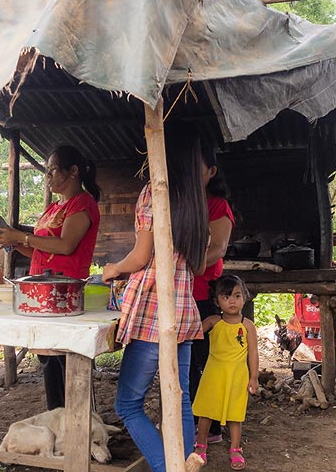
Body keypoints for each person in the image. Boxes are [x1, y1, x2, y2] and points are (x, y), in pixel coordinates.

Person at [102, 124, 209, 472]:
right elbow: (201, 262)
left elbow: (141, 256)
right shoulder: (197, 200)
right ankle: (181, 464)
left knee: (127, 404)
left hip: (153, 311)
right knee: (179, 402)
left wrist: (112, 268)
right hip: (184, 309)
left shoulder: (155, 193)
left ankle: (168, 468)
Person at [0, 144, 101, 410]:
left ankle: (81, 426)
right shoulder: (53, 208)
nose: (48, 177)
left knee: (67, 361)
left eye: (52, 170)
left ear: (73, 171)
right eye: (46, 171)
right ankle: (59, 419)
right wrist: (13, 243)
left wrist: (20, 236)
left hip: (63, 293)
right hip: (41, 291)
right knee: (49, 360)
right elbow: (39, 247)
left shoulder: (82, 204)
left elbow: (65, 246)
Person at [189, 142, 235, 444]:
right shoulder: (181, 203)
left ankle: (212, 428)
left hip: (203, 294)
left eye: (197, 167)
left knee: (203, 361)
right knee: (187, 361)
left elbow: (217, 249)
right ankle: (193, 422)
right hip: (180, 293)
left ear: (211, 171)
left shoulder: (218, 206)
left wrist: (181, 267)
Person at [192, 274, 259, 470]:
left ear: (245, 297)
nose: (232, 301)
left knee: (235, 414)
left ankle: (235, 449)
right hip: (213, 375)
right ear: (216, 300)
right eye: (226, 296)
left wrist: (253, 377)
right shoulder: (213, 321)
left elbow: (253, 352)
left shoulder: (247, 326)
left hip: (237, 376)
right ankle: (201, 445)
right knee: (206, 410)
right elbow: (192, 333)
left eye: (237, 296)